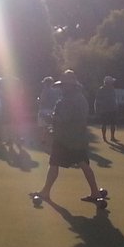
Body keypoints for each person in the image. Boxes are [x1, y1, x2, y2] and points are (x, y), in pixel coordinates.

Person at [31, 70, 104, 204]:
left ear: (71, 86)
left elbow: (63, 118)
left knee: (55, 164)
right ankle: (95, 192)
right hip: (77, 137)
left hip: (66, 139)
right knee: (82, 164)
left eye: (64, 85)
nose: (63, 88)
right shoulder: (80, 98)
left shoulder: (68, 100)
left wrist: (48, 117)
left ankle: (45, 192)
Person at [36, 76, 59, 146]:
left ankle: (43, 141)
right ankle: (50, 141)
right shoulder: (55, 91)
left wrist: (38, 100)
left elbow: (42, 101)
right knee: (50, 126)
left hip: (43, 110)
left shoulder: (45, 91)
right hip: (52, 110)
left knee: (43, 127)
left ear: (46, 83)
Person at [95, 75, 119, 143]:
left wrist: (116, 107)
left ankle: (112, 137)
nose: (112, 83)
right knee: (104, 124)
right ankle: (105, 137)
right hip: (105, 109)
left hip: (112, 109)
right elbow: (97, 100)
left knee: (112, 124)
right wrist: (97, 109)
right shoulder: (101, 89)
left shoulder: (112, 89)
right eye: (111, 82)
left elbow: (114, 99)